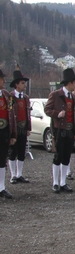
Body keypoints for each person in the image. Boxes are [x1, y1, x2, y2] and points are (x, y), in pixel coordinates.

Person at [45, 68, 75, 193]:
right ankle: (55, 182)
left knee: (67, 156)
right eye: (74, 83)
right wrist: (57, 114)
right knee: (58, 156)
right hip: (59, 129)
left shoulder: (74, 97)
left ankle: (63, 182)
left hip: (70, 131)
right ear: (69, 83)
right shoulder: (56, 95)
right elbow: (47, 110)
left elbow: (74, 116)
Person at [8, 67, 31, 184]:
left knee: (22, 151)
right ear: (16, 85)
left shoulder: (26, 98)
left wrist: (28, 128)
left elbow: (28, 114)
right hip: (15, 128)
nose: (24, 85)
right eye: (22, 83)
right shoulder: (10, 97)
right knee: (13, 151)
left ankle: (19, 174)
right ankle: (13, 175)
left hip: (23, 127)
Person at [0, 69, 17, 199]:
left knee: (2, 160)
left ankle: (1, 187)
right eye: (2, 79)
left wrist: (12, 135)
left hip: (4, 131)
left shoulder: (6, 95)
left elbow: (12, 116)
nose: (4, 81)